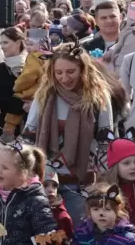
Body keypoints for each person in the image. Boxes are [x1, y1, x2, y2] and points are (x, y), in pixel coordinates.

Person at [22, 44, 114, 223]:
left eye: (71, 71)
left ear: (83, 69)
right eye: (59, 73)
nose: (64, 78)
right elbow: (29, 137)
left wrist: (102, 183)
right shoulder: (45, 95)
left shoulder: (98, 96)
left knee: (79, 230)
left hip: (81, 181)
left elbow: (106, 143)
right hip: (47, 179)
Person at [0, 27, 27, 137]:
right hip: (7, 124)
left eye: (6, 42)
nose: (2, 47)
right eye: (1, 43)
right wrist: (23, 105)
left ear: (18, 43)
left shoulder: (32, 65)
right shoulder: (1, 68)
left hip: (31, 123)